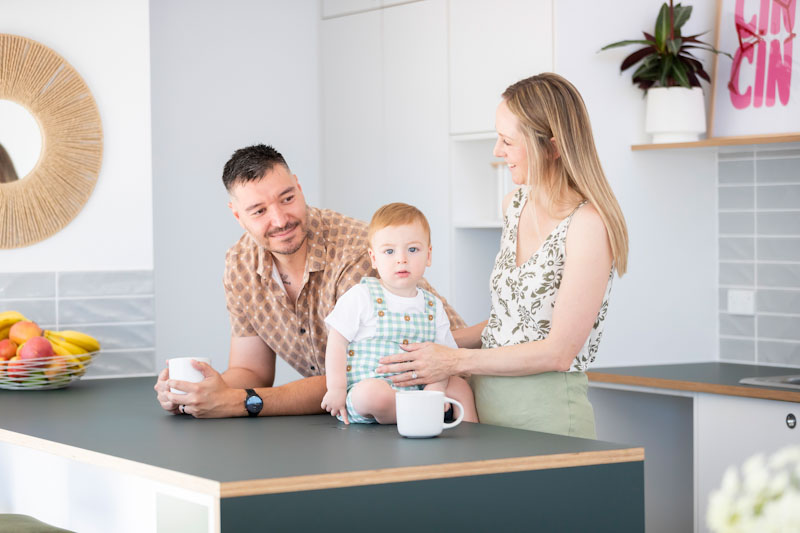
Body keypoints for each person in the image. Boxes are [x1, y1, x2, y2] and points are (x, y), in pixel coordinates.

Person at [376, 73, 629, 439]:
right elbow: (509, 324)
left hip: (549, 418)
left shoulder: (588, 225)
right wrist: (419, 340)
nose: (497, 150)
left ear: (552, 148)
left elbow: (557, 351)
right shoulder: (514, 205)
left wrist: (453, 359)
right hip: (484, 405)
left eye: (508, 140)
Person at [153, 144, 466, 418]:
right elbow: (252, 370)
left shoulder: (355, 251)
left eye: (287, 198)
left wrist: (240, 402)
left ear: (299, 188)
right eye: (259, 210)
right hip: (374, 410)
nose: (280, 220)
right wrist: (202, 393)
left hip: (444, 392)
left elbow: (351, 373)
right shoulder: (240, 264)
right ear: (237, 215)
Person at [321, 203, 478, 424]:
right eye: (389, 251)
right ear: (374, 258)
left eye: (412, 250)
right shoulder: (362, 295)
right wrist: (335, 388)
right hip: (373, 389)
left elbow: (445, 357)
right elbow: (336, 342)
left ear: (428, 255)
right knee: (371, 394)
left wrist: (436, 390)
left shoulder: (433, 306)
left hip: (420, 389)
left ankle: (472, 435)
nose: (401, 259)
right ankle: (416, 416)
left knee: (459, 386)